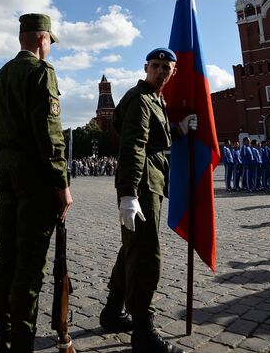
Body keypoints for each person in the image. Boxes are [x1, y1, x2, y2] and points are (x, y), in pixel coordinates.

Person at [0, 13, 72, 353]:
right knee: (30, 261)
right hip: (35, 174)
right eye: (50, 41)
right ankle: (23, 339)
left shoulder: (0, 75)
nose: (50, 48)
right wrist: (61, 181)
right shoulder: (41, 72)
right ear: (41, 40)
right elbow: (50, 133)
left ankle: (4, 332)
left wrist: (6, 157)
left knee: (6, 253)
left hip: (6, 168)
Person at [99, 48, 189, 353]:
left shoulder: (156, 99)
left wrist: (178, 130)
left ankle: (112, 312)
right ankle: (143, 331)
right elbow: (134, 145)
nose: (161, 70)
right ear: (146, 67)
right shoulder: (140, 98)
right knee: (147, 254)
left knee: (132, 249)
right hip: (142, 183)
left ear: (173, 72)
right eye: (155, 65)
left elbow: (153, 139)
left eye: (166, 67)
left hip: (152, 178)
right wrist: (128, 193)